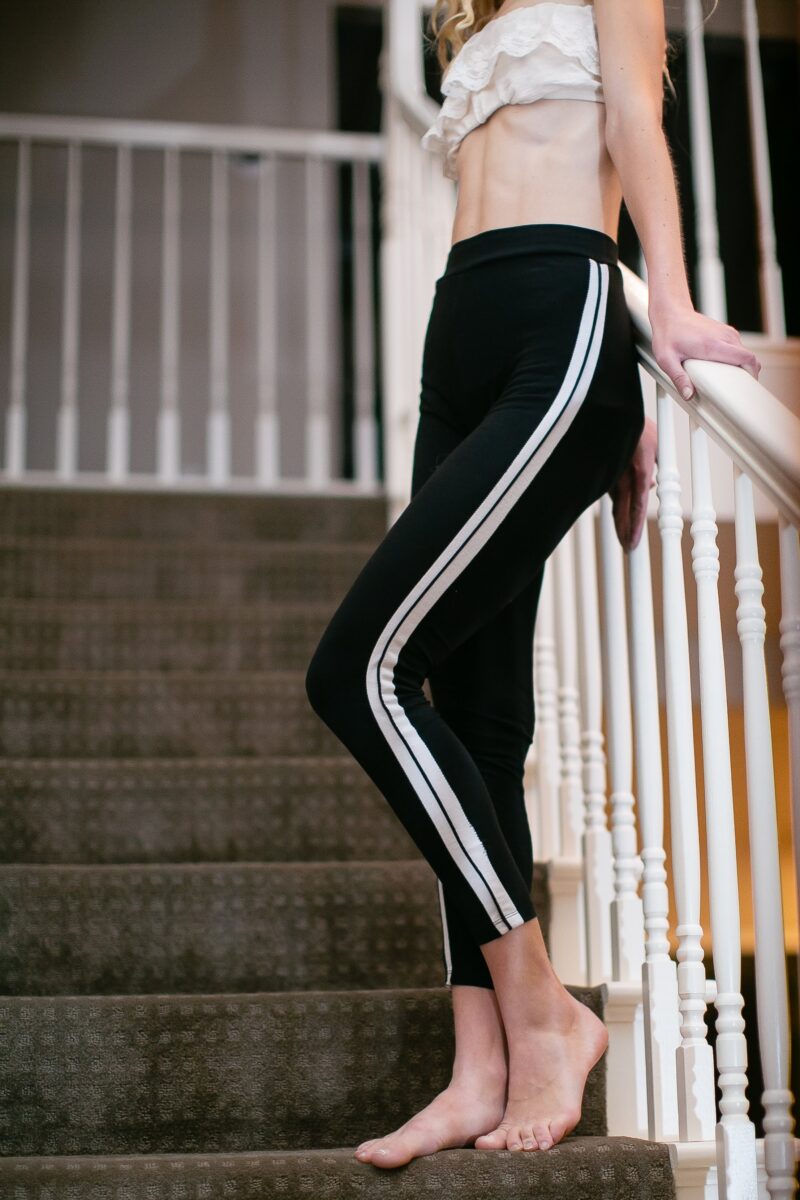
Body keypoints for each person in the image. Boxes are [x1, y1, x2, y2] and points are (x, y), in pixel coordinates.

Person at [305, 0, 761, 1171]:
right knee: (475, 718)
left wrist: (660, 306)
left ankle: (542, 1009)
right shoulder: (479, 15)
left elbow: (632, 123)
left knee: (357, 672)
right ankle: (478, 1067)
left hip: (562, 313)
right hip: (458, 332)